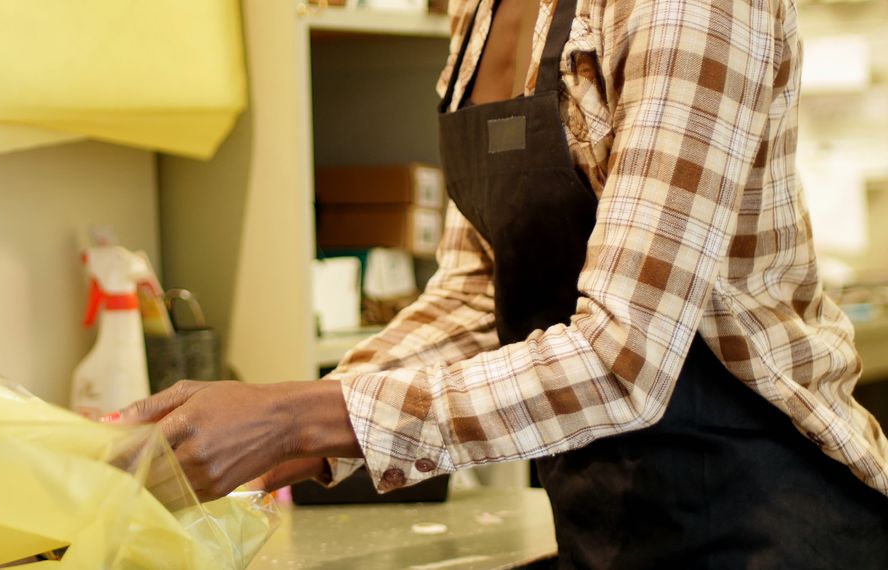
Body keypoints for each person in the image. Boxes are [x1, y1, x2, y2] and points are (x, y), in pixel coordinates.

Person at [112, 0, 888, 565]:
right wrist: (289, 430)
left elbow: (623, 360)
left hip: (765, 519)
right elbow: (479, 289)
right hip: (603, 519)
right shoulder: (479, 15)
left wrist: (301, 418)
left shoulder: (687, 8)